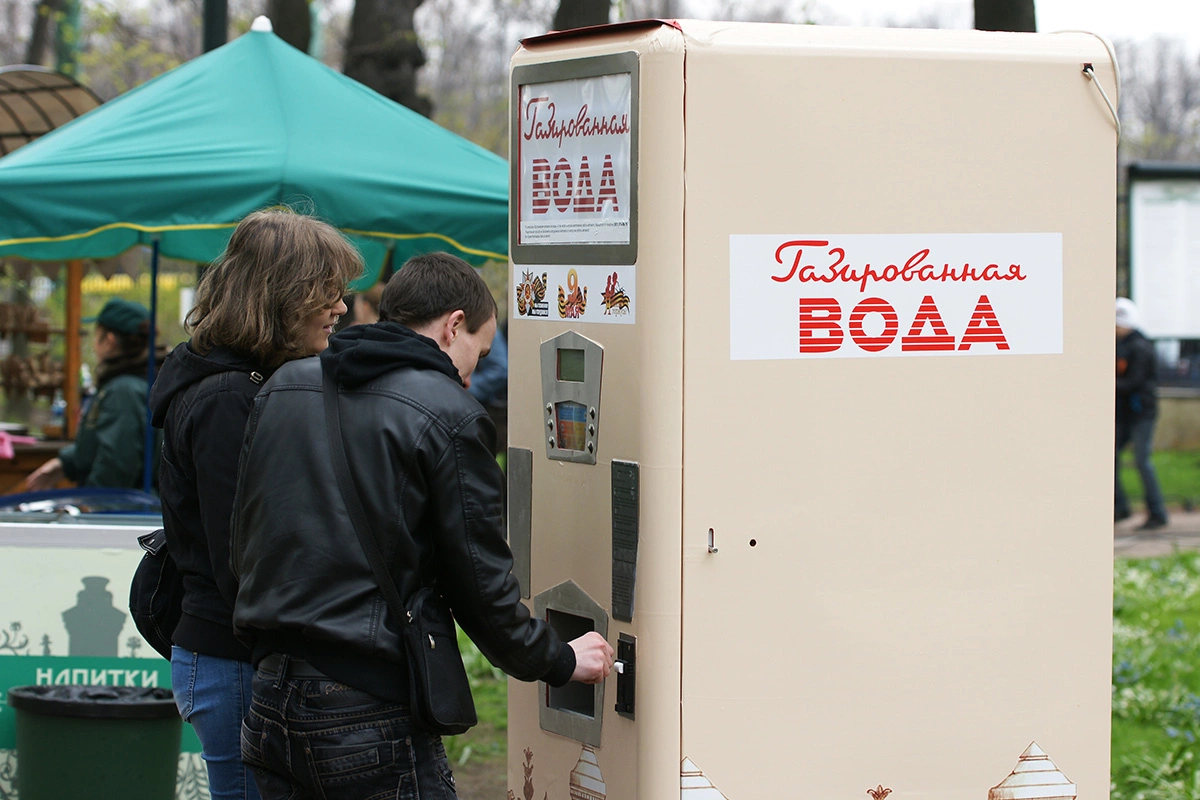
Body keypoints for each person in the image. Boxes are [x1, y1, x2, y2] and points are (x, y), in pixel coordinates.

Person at [230, 252, 614, 800]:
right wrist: (558, 658)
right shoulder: (448, 412)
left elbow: (243, 542)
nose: (471, 373)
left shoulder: (284, 385)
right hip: (369, 709)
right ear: (454, 324)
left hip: (269, 701)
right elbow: (480, 587)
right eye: (477, 354)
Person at [148, 209, 361, 800]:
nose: (341, 307)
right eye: (327, 292)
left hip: (237, 656)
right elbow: (242, 557)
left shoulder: (240, 383)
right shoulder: (226, 398)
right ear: (282, 296)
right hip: (235, 660)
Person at [25, 298, 159, 491]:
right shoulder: (133, 383)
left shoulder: (123, 392)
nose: (94, 345)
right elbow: (98, 443)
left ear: (109, 341)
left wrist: (92, 506)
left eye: (97, 336)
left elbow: (117, 463)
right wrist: (65, 463)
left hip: (124, 512)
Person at [1115, 297, 1168, 530]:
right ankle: (1119, 507)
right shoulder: (1123, 344)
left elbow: (1135, 382)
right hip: (1126, 413)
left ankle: (1158, 512)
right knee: (1110, 458)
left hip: (1141, 412)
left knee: (1142, 460)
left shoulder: (1139, 347)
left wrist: (1107, 383)